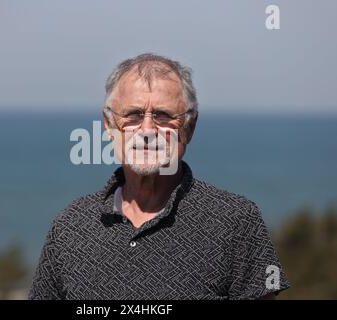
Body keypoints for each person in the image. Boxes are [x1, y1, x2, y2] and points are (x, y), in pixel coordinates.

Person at [28, 53, 290, 300]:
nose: (147, 130)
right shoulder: (69, 227)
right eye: (133, 115)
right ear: (108, 125)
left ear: (189, 127)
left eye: (163, 116)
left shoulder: (236, 221)